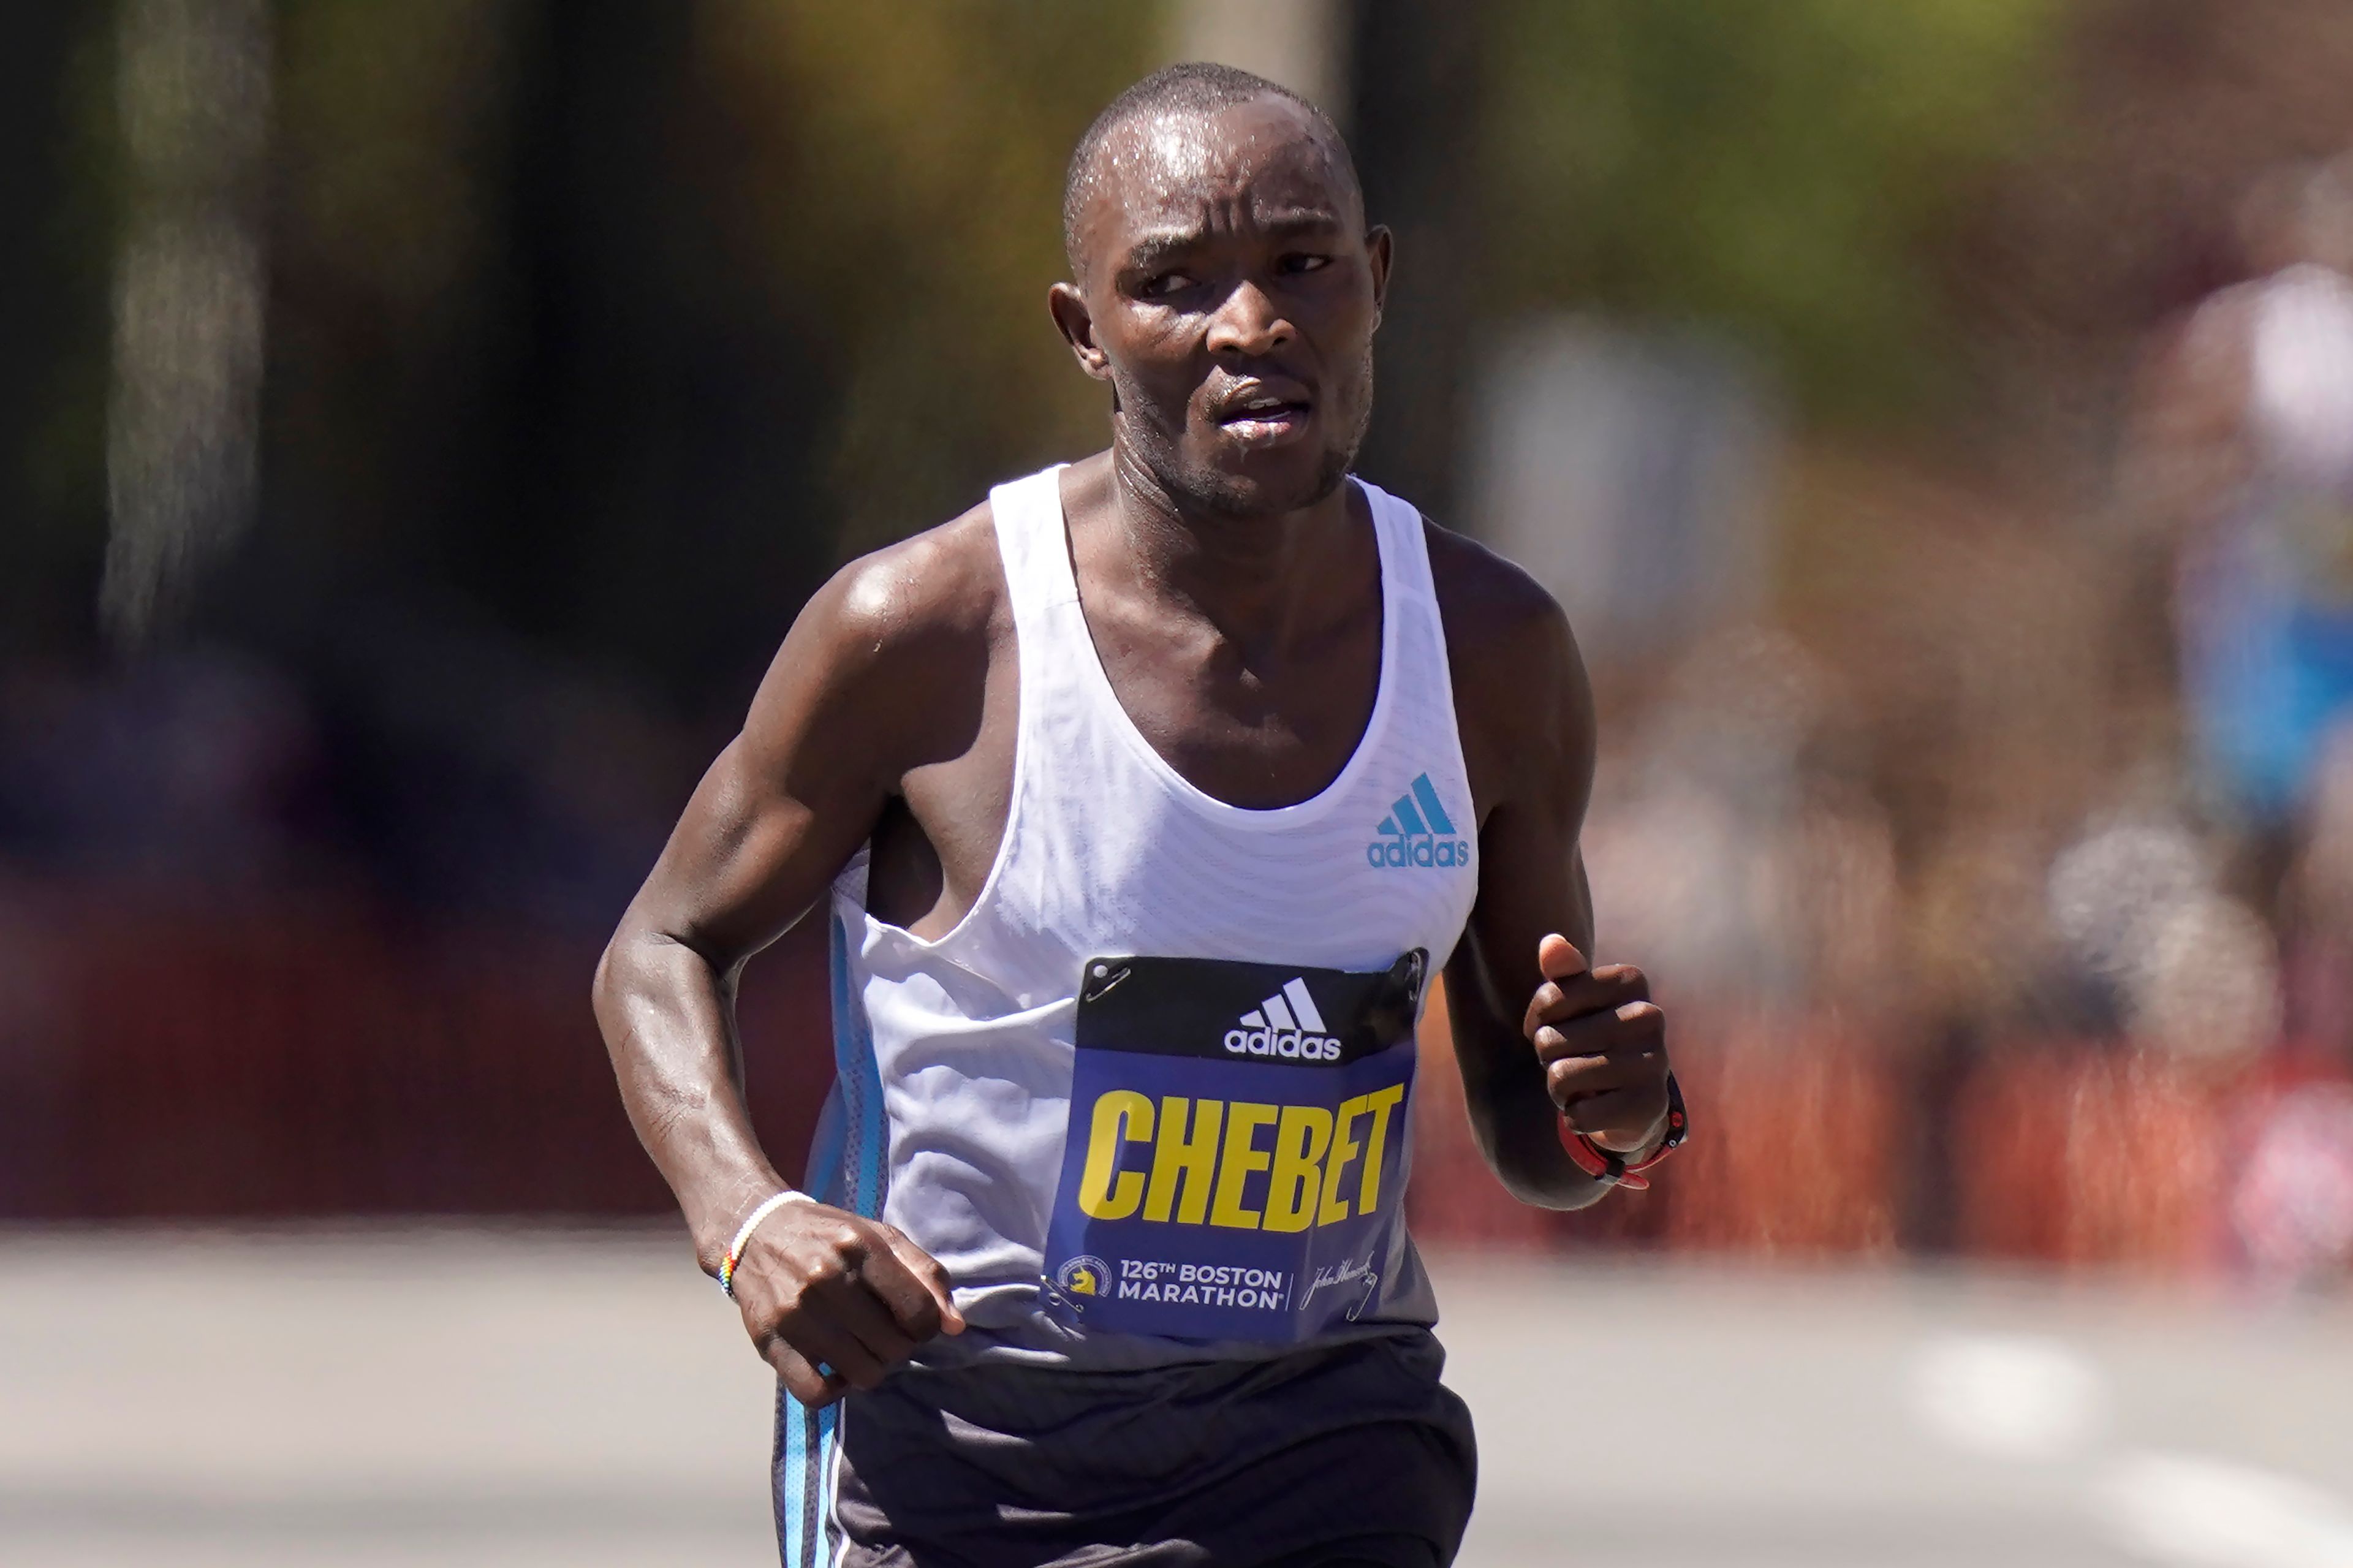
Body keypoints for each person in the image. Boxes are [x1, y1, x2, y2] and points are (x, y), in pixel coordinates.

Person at [593, 62, 1680, 1568]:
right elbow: (661, 945)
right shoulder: (930, 630)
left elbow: (1538, 1129)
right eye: (1174, 283)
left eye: (1300, 263)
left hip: (1327, 1435)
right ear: (1084, 332)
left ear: (1373, 284)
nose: (1252, 324)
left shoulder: (1490, 652)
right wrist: (748, 1215)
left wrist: (1616, 1118)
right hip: (966, 1436)